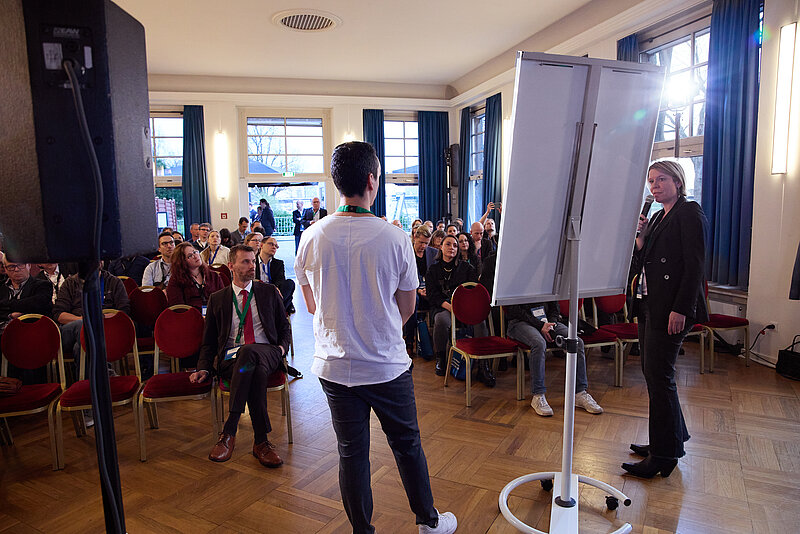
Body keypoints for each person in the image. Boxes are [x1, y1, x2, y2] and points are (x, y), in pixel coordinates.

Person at [295, 141, 457, 534]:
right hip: (385, 364)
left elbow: (313, 305)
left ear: (337, 183)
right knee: (407, 445)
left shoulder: (311, 236)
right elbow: (405, 309)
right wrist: (376, 322)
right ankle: (428, 522)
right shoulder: (396, 238)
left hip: (333, 364)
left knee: (352, 454)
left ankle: (362, 532)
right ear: (372, 180)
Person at [623, 160, 708, 479]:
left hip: (672, 308)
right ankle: (672, 437)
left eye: (661, 180)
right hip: (650, 304)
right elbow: (645, 260)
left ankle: (663, 455)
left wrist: (682, 309)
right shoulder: (659, 216)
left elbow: (694, 266)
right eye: (651, 181)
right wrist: (641, 237)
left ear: (678, 181)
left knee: (660, 376)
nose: (654, 186)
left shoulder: (689, 212)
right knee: (654, 374)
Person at [190, 244, 291, 467]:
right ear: (231, 266)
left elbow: (285, 328)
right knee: (248, 360)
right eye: (245, 262)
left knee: (250, 353)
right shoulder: (218, 299)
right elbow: (208, 341)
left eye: (253, 261)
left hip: (268, 354)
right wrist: (204, 367)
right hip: (233, 360)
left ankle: (229, 431)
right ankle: (261, 442)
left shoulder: (268, 292)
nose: (251, 266)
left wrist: (282, 350)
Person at [506, 301, 603, 416]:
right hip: (521, 322)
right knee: (539, 343)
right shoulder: (516, 282)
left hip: (546, 320)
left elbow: (555, 306)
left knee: (577, 343)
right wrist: (540, 325)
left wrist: (550, 323)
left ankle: (580, 393)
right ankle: (538, 395)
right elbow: (514, 311)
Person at [426, 235, 487, 384]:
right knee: (441, 320)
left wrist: (461, 307)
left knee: (480, 321)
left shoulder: (467, 268)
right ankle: (441, 357)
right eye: (448, 244)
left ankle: (482, 365)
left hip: (465, 306)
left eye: (454, 245)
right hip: (444, 306)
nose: (451, 248)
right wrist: (450, 306)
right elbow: (432, 295)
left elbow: (473, 290)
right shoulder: (433, 270)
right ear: (441, 247)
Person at [53, 267, 130, 363]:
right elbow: (59, 315)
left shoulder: (114, 282)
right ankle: (105, 371)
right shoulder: (70, 283)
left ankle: (87, 377)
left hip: (104, 327)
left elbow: (123, 312)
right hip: (74, 327)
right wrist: (84, 320)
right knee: (83, 325)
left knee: (79, 347)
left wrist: (99, 319)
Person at [0, 257, 54, 383]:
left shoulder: (42, 285)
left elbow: (38, 304)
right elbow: (30, 305)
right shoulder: (1, 288)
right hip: (3, 333)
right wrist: (14, 312)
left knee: (23, 342)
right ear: (6, 269)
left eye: (20, 265)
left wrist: (6, 305)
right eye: (11, 267)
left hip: (31, 334)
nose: (16, 269)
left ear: (29, 265)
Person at [166, 242, 226, 312]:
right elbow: (178, 308)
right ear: (182, 261)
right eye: (190, 256)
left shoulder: (213, 276)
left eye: (195, 252)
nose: (195, 256)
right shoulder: (176, 280)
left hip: (215, 315)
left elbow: (224, 299)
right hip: (190, 318)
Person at [255, 236, 295, 314]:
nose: (274, 247)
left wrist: (274, 288)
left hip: (273, 293)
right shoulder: (253, 261)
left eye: (276, 246)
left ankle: (274, 309)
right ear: (261, 245)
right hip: (258, 290)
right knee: (287, 298)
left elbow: (280, 280)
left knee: (289, 283)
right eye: (271, 244)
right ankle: (279, 309)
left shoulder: (278, 263)